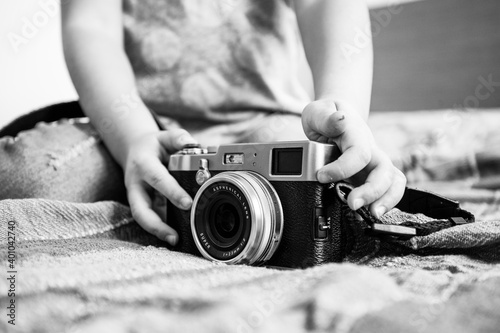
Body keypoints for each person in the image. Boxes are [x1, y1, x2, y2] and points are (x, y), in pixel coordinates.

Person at [0, 0, 405, 245]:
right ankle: (145, 183)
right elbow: (90, 26)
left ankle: (153, 198)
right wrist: (134, 136)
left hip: (266, 122)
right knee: (21, 179)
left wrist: (343, 113)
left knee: (336, 193)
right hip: (140, 130)